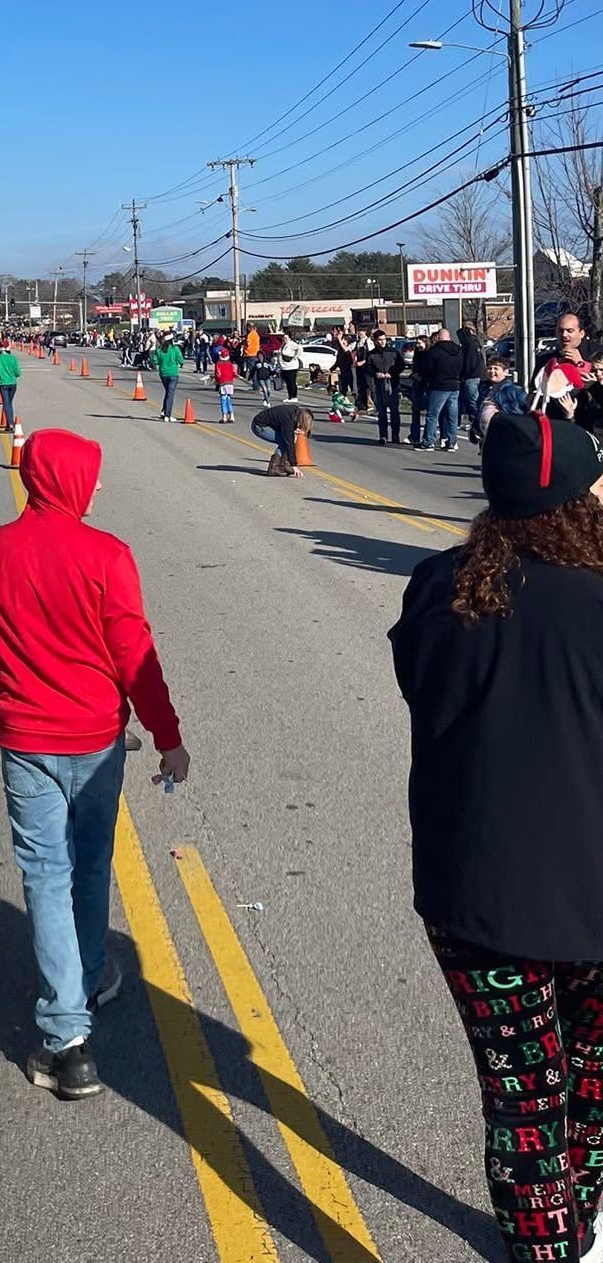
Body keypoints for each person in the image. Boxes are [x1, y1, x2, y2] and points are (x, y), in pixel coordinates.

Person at [390, 413, 603, 1263]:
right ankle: (577, 1220)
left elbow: (424, 689)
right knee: (591, 1080)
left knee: (522, 1099)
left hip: (474, 887)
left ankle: (548, 1246)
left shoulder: (437, 588)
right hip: (591, 891)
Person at [0, 429, 189, 1098]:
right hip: (96, 739)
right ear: (69, 481)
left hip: (27, 738)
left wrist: (12, 672)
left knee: (45, 874)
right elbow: (135, 656)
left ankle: (67, 1039)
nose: (98, 486)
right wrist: (167, 736)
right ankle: (85, 978)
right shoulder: (107, 555)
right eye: (91, 475)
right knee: (89, 863)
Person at [423, 326, 465, 453]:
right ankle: (452, 442)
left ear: (438, 337)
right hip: (455, 385)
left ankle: (429, 441)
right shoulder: (459, 350)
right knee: (452, 415)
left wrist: (428, 379)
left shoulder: (435, 351)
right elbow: (462, 367)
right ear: (449, 337)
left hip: (439, 385)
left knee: (432, 414)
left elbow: (427, 368)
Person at [362, 330, 405, 446]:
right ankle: (383, 435)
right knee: (382, 412)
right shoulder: (371, 354)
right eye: (380, 340)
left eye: (384, 339)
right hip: (379, 385)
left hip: (392, 385)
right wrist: (376, 373)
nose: (382, 342)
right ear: (375, 341)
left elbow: (401, 365)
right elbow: (367, 368)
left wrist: (393, 373)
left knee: (394, 411)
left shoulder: (393, 352)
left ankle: (395, 435)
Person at [251, 400, 314, 477]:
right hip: (259, 426)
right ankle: (274, 468)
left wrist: (297, 430)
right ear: (301, 420)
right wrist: (294, 466)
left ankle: (284, 465)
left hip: (268, 424)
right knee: (285, 442)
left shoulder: (295, 412)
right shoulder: (288, 420)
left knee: (290, 439)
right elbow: (289, 443)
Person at [473, 356, 527, 440]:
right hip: (485, 436)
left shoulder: (512, 389)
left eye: (496, 368)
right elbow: (479, 410)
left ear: (506, 372)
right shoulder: (484, 388)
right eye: (489, 368)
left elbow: (524, 408)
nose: (492, 371)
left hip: (505, 434)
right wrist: (474, 428)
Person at [408, 335, 433, 450]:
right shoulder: (417, 354)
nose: (418, 346)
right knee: (415, 411)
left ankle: (427, 437)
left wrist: (423, 377)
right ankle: (414, 436)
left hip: (427, 385)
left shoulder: (430, 354)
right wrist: (414, 375)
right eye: (417, 343)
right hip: (417, 385)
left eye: (420, 343)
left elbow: (430, 369)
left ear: (426, 343)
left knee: (430, 413)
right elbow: (415, 367)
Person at [457, 322, 484, 426]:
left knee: (472, 401)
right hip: (477, 375)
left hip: (471, 376)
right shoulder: (477, 342)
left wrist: (465, 374)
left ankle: (475, 422)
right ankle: (474, 421)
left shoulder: (470, 344)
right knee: (473, 401)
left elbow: (470, 362)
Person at [152, 335, 184, 422]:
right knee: (170, 394)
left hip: (163, 373)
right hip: (173, 373)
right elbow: (181, 360)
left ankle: (164, 411)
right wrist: (181, 364)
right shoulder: (175, 349)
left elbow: (155, 361)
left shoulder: (159, 350)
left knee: (168, 392)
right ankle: (168, 415)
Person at [0, 342, 22, 427]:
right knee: (9, 403)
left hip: (3, 383)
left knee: (6, 403)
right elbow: (18, 372)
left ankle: (10, 423)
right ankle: (9, 423)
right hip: (13, 383)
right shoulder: (13, 358)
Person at [275, 331, 303, 401]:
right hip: (284, 367)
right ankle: (290, 396)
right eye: (283, 338)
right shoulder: (283, 345)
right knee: (288, 383)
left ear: (289, 338)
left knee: (291, 382)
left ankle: (294, 397)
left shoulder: (292, 344)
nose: (284, 339)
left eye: (285, 338)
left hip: (291, 367)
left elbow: (300, 349)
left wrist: (295, 357)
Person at [213, 346, 237, 423]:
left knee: (223, 400)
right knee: (228, 399)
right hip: (230, 383)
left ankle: (224, 417)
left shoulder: (219, 364)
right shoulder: (230, 364)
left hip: (223, 383)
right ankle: (232, 416)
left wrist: (216, 381)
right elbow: (234, 374)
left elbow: (218, 375)